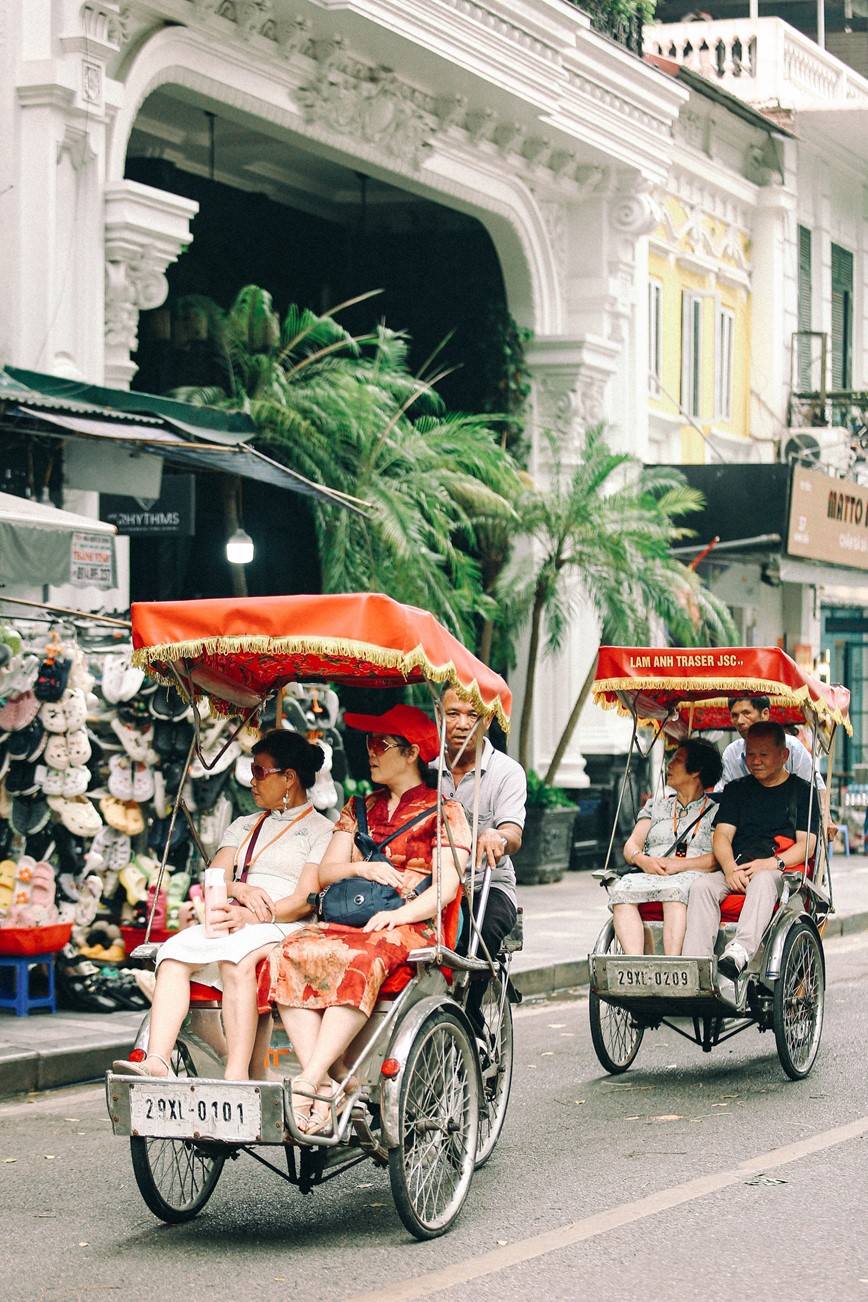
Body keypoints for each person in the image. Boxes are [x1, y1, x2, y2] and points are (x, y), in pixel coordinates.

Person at [258, 704, 471, 1135]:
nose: (369, 752)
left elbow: (446, 887)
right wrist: (363, 868)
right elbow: (327, 873)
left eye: (380, 744)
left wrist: (399, 914)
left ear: (412, 753)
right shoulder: (358, 808)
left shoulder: (444, 810)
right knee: (287, 953)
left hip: (412, 922)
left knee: (359, 960)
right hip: (350, 917)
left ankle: (308, 1084)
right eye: (368, 743)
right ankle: (332, 1080)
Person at [113, 729, 334, 1080]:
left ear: (289, 778)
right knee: (172, 952)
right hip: (235, 918)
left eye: (260, 772)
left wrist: (258, 913)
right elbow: (215, 877)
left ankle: (236, 1073)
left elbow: (304, 898)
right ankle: (157, 1060)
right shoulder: (244, 825)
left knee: (236, 960)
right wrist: (239, 890)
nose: (251, 781)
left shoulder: (323, 830)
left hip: (286, 923)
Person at [683, 721, 819, 979]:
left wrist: (773, 863)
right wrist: (729, 868)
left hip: (781, 871)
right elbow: (722, 835)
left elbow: (807, 844)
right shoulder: (737, 790)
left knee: (764, 880)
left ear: (784, 755)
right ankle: (696, 966)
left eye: (763, 755)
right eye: (750, 754)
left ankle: (739, 952)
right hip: (739, 864)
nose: (755, 761)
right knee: (701, 887)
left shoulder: (802, 792)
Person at [438, 687, 526, 1030]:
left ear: (488, 720)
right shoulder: (424, 766)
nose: (462, 724)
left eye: (472, 715)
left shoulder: (506, 771)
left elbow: (513, 834)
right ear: (440, 716)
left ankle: (470, 1014)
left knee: (478, 931)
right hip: (431, 884)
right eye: (453, 713)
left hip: (487, 885)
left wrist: (497, 835)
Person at [612, 738, 722, 956]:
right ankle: (635, 965)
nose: (669, 765)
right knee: (621, 889)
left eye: (677, 760)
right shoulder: (656, 805)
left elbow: (716, 859)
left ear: (696, 771)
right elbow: (631, 845)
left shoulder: (717, 812)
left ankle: (672, 965)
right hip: (652, 870)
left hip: (692, 874)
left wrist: (678, 865)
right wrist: (643, 860)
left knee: (675, 891)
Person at [716, 696, 823, 790]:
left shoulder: (793, 747)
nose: (740, 721)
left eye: (746, 713)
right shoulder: (731, 753)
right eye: (735, 715)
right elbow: (722, 794)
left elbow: (815, 790)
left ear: (765, 714)